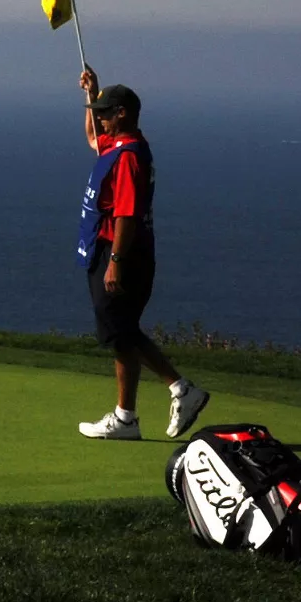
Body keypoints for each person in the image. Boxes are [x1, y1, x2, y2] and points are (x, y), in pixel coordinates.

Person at [75, 67, 209, 440]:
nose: (98, 117)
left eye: (104, 111)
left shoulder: (131, 155)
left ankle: (181, 389)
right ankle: (126, 418)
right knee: (121, 333)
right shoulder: (117, 145)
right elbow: (92, 138)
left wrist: (115, 263)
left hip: (123, 255)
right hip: (107, 250)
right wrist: (94, 93)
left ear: (122, 113)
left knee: (119, 331)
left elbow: (127, 214)